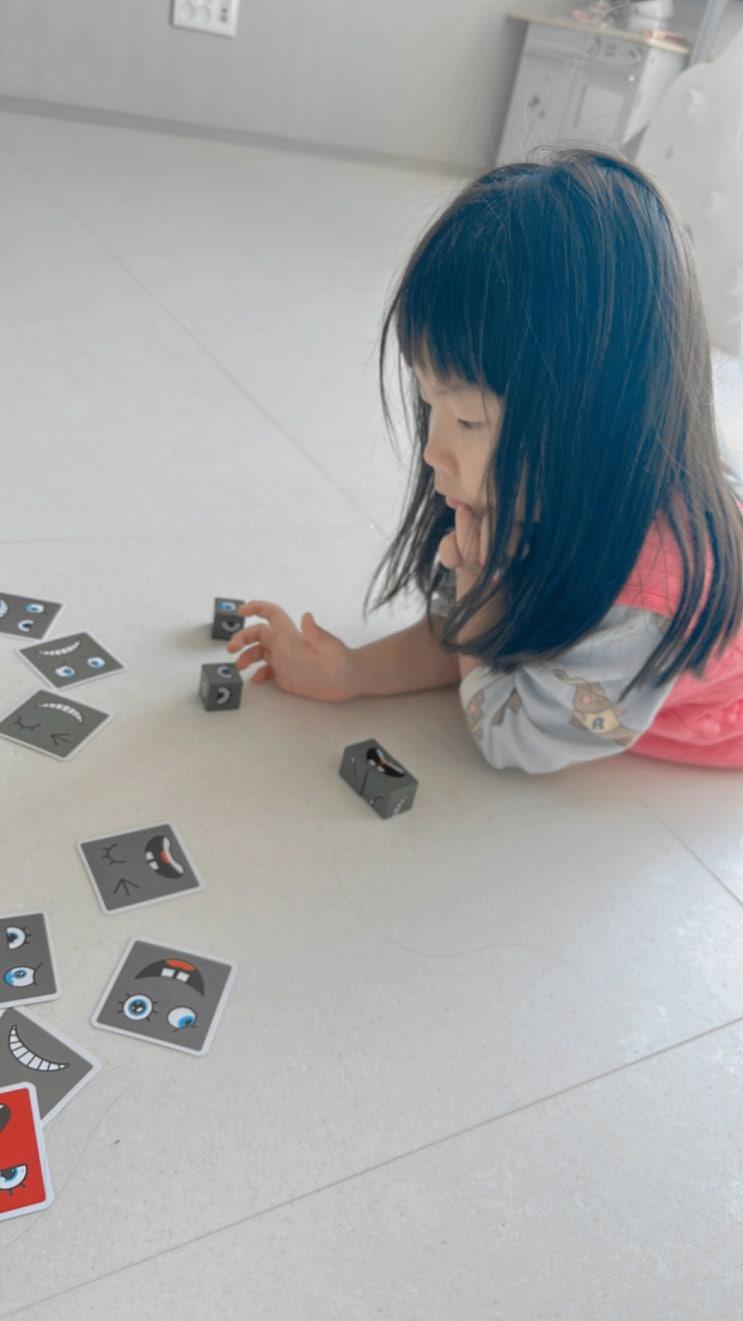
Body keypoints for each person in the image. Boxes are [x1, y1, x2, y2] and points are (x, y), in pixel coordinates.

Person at [227, 148, 743, 772]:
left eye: (469, 419)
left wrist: (478, 575)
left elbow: (513, 733)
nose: (431, 451)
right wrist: (353, 672)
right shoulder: (538, 484)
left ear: (598, 423)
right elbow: (484, 638)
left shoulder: (646, 598)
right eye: (430, 405)